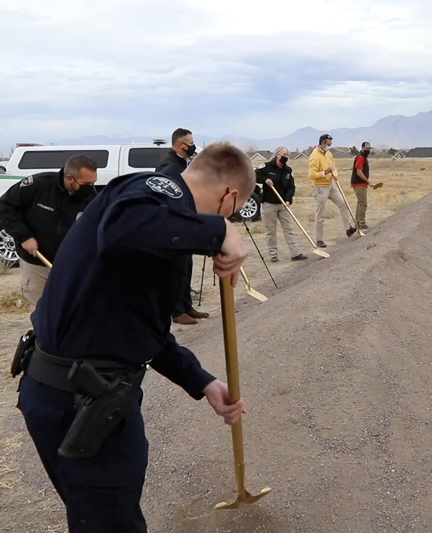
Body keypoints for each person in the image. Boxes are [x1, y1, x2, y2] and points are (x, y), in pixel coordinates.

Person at [15, 141, 254, 532]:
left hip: (61, 394)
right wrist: (217, 229)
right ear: (229, 196)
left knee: (96, 518)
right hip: (85, 402)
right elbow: (122, 231)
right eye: (235, 211)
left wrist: (203, 382)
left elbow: (140, 325)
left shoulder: (151, 207)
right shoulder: (155, 196)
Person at [0, 156, 98, 311]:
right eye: (86, 184)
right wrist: (24, 236)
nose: (90, 187)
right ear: (69, 178)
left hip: (69, 265)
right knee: (41, 312)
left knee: (69, 312)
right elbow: (6, 207)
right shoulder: (39, 185)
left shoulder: (92, 199)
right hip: (37, 262)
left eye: (93, 182)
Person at [156, 128, 207, 325]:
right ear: (180, 145)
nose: (193, 146)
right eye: (190, 143)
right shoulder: (168, 165)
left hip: (186, 219)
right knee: (176, 268)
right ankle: (176, 311)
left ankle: (186, 305)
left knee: (187, 265)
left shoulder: (184, 163)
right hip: (172, 222)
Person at [256, 147, 307, 262]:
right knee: (271, 231)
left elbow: (291, 187)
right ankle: (273, 255)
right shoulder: (266, 167)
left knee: (289, 229)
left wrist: (288, 199)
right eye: (284, 155)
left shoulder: (288, 170)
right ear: (277, 155)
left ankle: (295, 253)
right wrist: (265, 180)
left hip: (284, 204)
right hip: (269, 204)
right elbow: (254, 176)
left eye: (287, 155)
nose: (285, 157)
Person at [308, 134, 356, 247]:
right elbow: (312, 175)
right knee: (320, 214)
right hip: (320, 188)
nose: (330, 147)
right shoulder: (314, 156)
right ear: (323, 143)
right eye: (328, 145)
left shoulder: (329, 154)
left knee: (343, 203)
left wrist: (335, 174)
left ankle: (348, 228)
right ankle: (319, 239)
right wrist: (325, 172)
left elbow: (333, 167)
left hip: (330, 185)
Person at [351, 141, 376, 230]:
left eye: (369, 148)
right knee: (362, 203)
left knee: (361, 203)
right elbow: (359, 172)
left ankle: (359, 222)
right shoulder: (361, 158)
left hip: (361, 183)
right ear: (362, 148)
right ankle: (360, 223)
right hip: (359, 183)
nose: (368, 150)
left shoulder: (363, 157)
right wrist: (368, 181)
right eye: (366, 148)